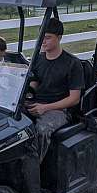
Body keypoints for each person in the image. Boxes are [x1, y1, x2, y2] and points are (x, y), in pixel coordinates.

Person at [25, 17, 84, 163]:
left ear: (59, 37)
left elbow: (74, 98)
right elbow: (35, 82)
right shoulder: (37, 59)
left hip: (59, 110)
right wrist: (28, 95)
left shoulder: (72, 64)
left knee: (41, 131)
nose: (43, 42)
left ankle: (33, 172)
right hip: (37, 104)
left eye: (48, 38)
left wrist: (45, 108)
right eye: (41, 38)